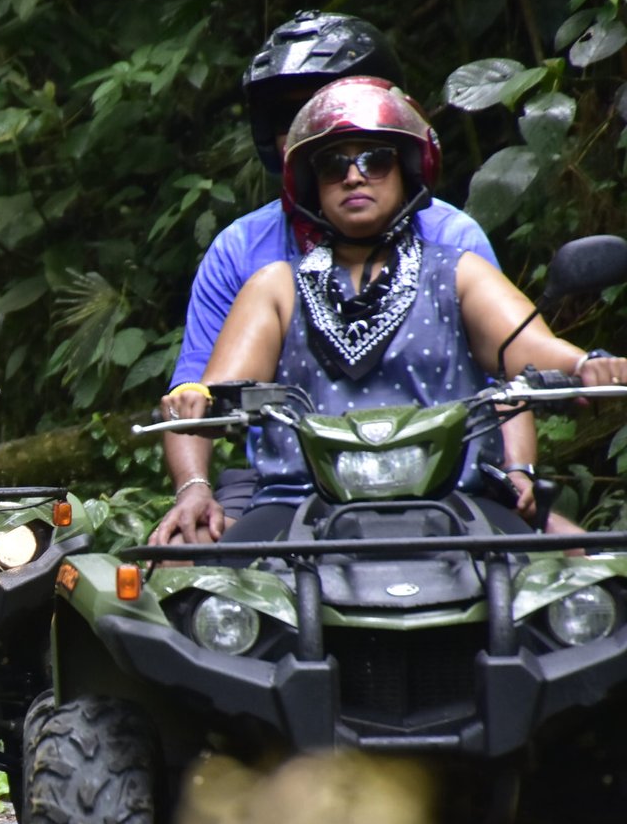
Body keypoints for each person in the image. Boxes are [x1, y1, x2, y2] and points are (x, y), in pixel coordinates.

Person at [151, 77, 627, 546]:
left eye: (374, 161)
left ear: (406, 172)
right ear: (311, 186)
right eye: (333, 165)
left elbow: (526, 348)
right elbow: (214, 388)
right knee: (204, 599)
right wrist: (196, 407)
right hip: (296, 504)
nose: (354, 176)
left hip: (456, 499)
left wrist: (583, 365)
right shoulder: (276, 286)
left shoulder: (458, 271)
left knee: (583, 584)